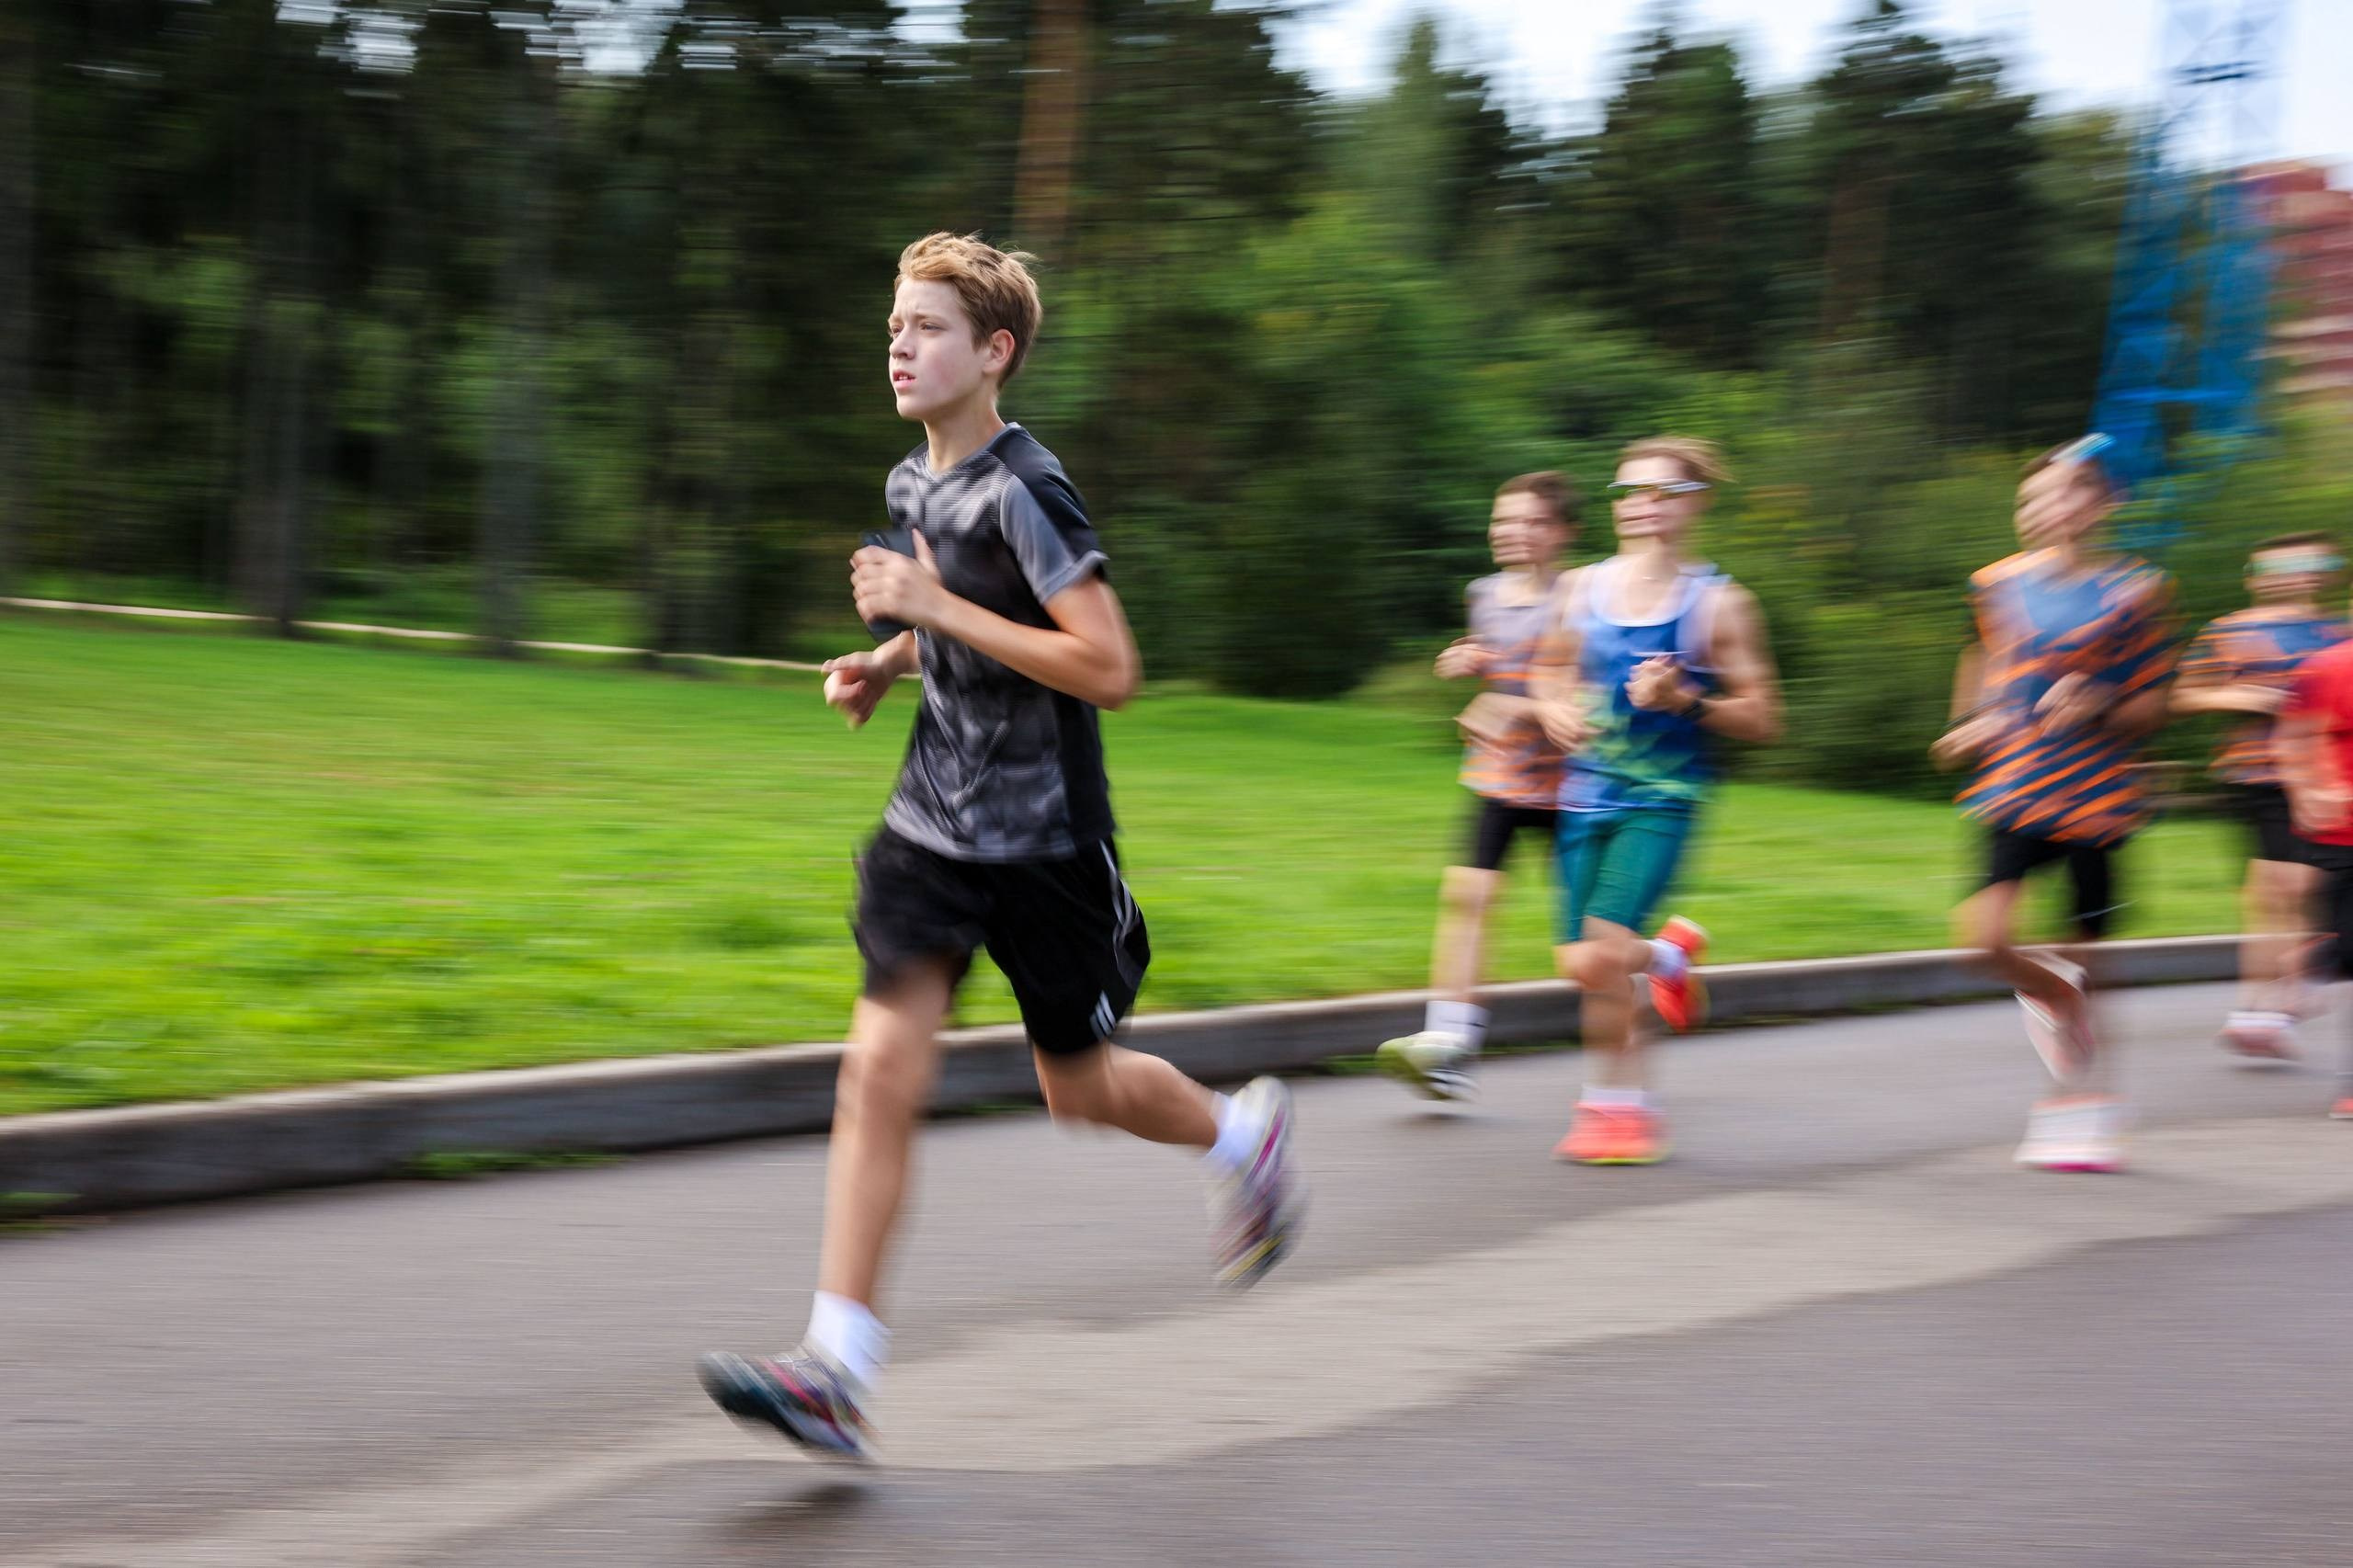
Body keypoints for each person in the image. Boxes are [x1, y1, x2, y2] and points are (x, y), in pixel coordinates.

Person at [698, 233, 1302, 1460]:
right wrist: (887, 660)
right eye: (893, 328)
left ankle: (1242, 1134)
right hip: (931, 824)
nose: (899, 347)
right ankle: (836, 1368)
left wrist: (925, 610)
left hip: (1045, 843)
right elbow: (969, 626)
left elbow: (1108, 666)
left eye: (925, 329)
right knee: (877, 1068)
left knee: (1077, 1090)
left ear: (994, 353)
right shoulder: (912, 485)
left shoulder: (1028, 487)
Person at [1535, 437, 1781, 1165]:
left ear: (1694, 504)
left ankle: (1620, 1107)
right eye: (1626, 493)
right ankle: (1670, 956)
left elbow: (1765, 719)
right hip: (1584, 794)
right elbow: (1550, 669)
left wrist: (1686, 698)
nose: (1640, 507)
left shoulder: (1719, 605)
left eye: (1659, 493)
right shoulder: (1579, 588)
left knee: (1604, 949)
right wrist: (1551, 709)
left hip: (1663, 798)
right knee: (1580, 961)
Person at [1933, 435, 2175, 1173]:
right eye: (2032, 497)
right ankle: (2054, 996)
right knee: (1981, 942)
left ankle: (2084, 1108)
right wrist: (1969, 720)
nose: (2045, 509)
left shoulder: (2137, 592)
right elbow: (1983, 655)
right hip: (2016, 785)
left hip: (2095, 798)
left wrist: (2103, 701)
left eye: (2066, 492)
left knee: (2088, 957)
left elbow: (2158, 699)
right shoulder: (1996, 582)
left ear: (2106, 503)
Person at [1377, 472, 1577, 1101]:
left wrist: (1508, 705)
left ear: (1564, 532)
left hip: (1570, 787)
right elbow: (1504, 661)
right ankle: (1449, 1046)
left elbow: (1573, 692)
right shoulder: (1484, 593)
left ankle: (1662, 957)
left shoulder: (1582, 596)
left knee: (1588, 939)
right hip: (1498, 777)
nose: (1512, 532)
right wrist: (1471, 658)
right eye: (1503, 520)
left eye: (1531, 521)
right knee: (1468, 897)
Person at [2171, 534, 2348, 1062]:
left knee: (2296, 889)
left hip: (2328, 778)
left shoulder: (2339, 633)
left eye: (2310, 564)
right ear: (2254, 576)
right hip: (2256, 775)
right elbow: (2182, 694)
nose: (2296, 574)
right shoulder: (2228, 630)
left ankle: (2278, 998)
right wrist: (2243, 695)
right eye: (2280, 566)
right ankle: (2265, 1006)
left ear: (2326, 573)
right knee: (2275, 890)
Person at [2275, 604, 2353, 1122]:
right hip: (2344, 830)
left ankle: (2323, 952)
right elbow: (2293, 735)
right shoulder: (2329, 667)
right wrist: (2307, 791)